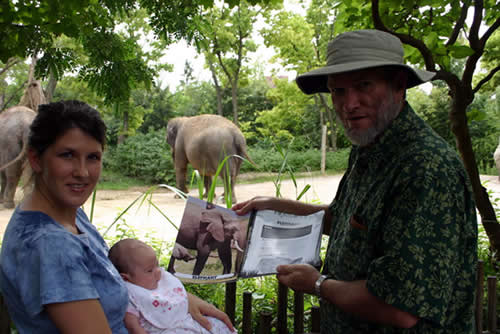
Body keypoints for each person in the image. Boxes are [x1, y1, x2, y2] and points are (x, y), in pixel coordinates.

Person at [232, 29, 478, 333]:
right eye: (338, 91)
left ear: (398, 86)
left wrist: (318, 284)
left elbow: (401, 308)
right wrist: (273, 206)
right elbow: (345, 221)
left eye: (363, 86)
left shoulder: (425, 168)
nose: (349, 104)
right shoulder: (370, 147)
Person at [0, 100, 234, 334]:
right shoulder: (50, 245)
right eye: (67, 155)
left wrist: (175, 300)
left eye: (93, 157)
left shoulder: (69, 215)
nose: (82, 172)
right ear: (35, 159)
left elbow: (112, 277)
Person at [108, 238, 237, 334]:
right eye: (149, 270)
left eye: (157, 265)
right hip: (165, 330)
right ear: (126, 277)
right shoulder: (131, 294)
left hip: (187, 321)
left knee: (219, 325)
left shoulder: (160, 280)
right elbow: (133, 327)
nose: (158, 271)